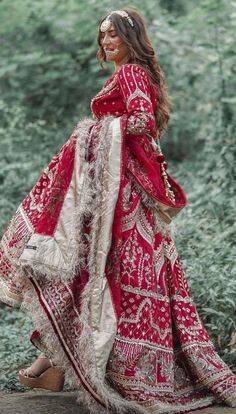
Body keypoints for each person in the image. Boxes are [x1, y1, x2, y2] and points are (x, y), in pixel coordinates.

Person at [0, 7, 236, 414]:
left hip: (121, 195)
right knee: (101, 273)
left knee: (100, 271)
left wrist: (89, 131)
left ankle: (55, 365)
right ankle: (50, 364)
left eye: (113, 35)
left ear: (131, 37)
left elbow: (141, 121)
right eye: (102, 35)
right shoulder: (134, 73)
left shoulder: (130, 73)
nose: (106, 42)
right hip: (121, 189)